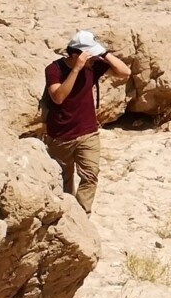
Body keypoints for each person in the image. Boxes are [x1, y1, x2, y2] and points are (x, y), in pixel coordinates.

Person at [43, 30, 126, 209]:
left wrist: (104, 53)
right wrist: (76, 69)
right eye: (89, 55)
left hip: (88, 133)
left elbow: (124, 72)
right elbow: (58, 97)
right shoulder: (54, 69)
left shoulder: (93, 66)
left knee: (90, 176)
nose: (92, 59)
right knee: (63, 180)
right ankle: (65, 215)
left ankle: (81, 215)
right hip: (60, 135)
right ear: (75, 55)